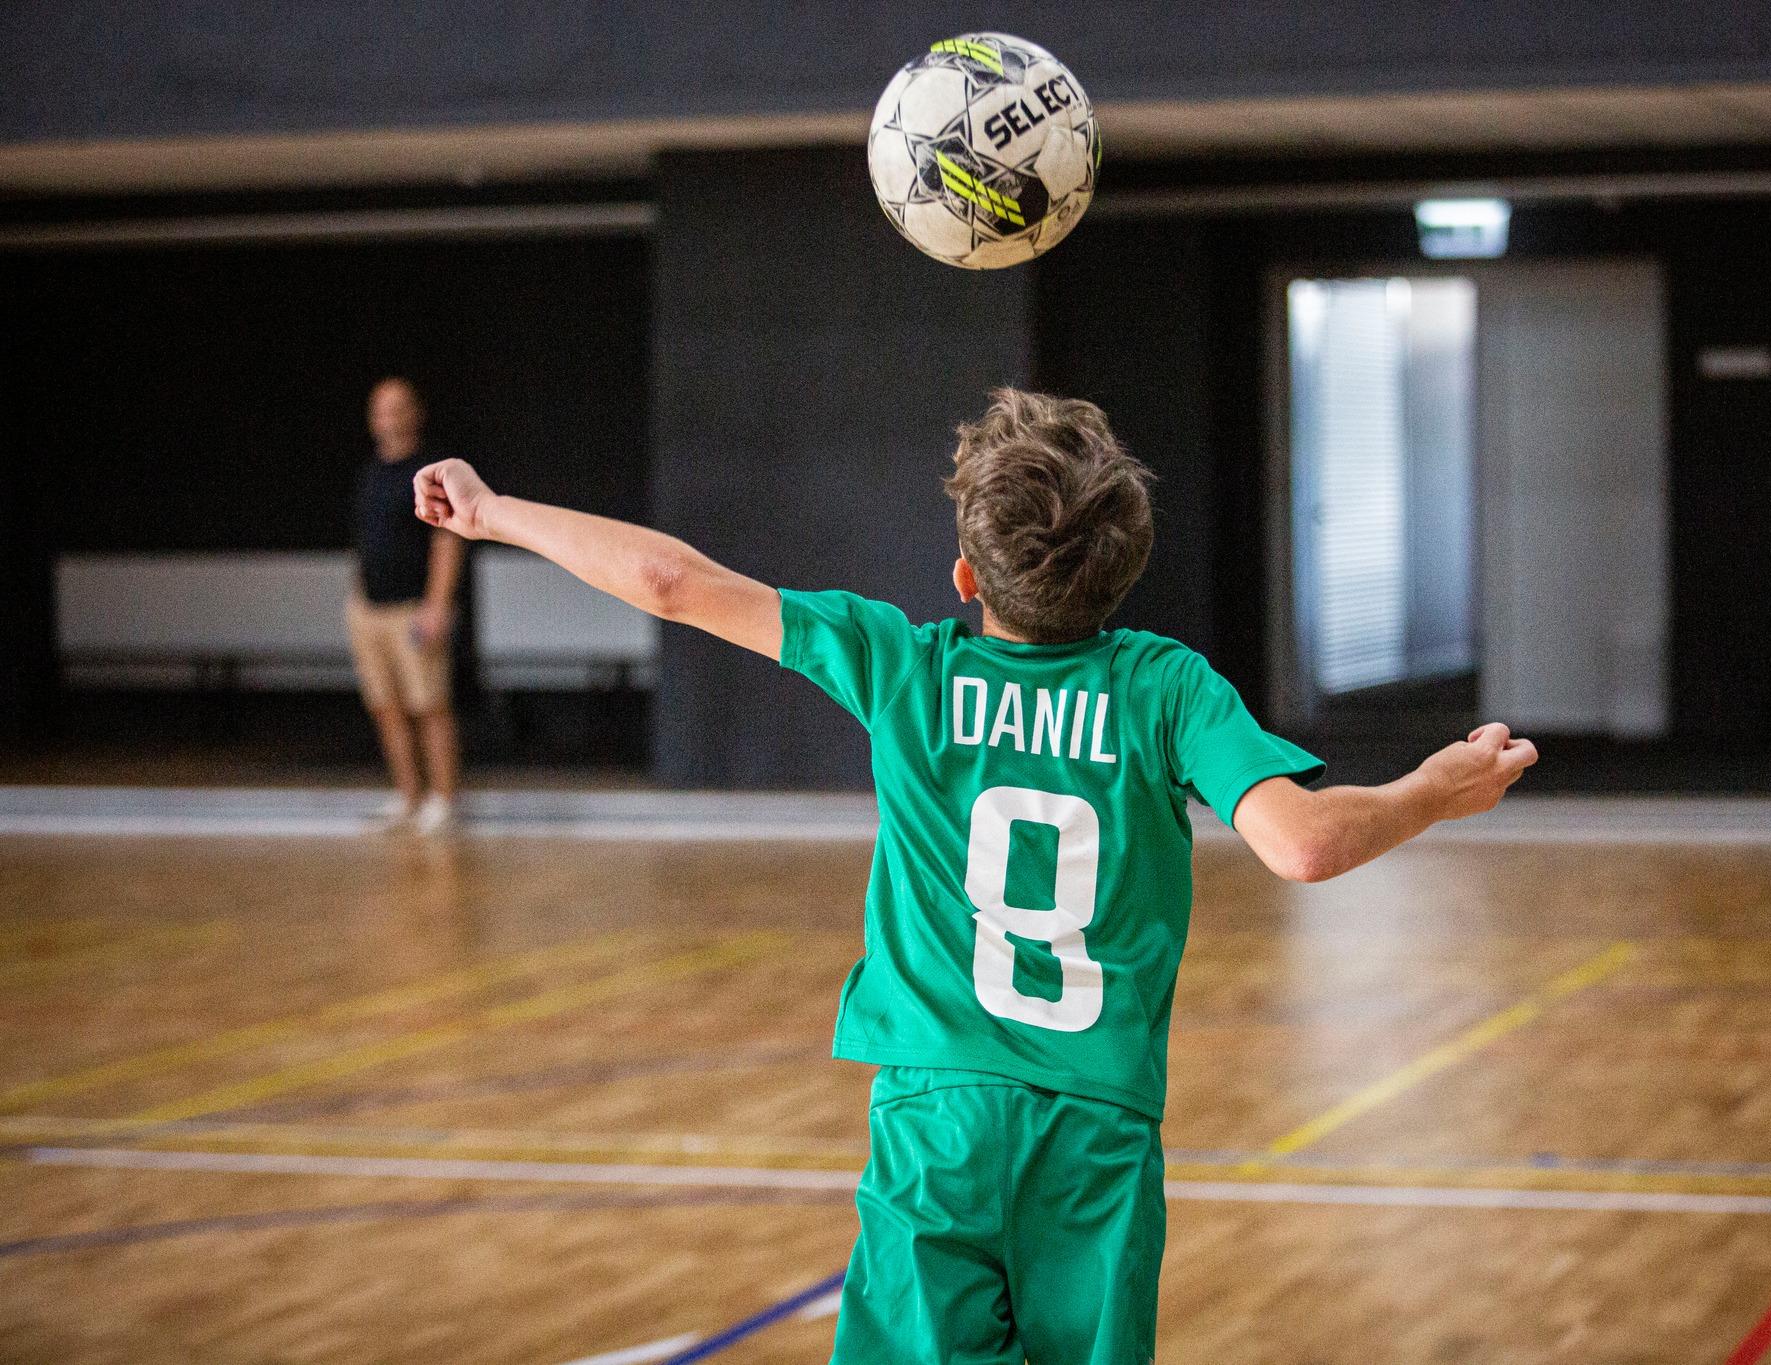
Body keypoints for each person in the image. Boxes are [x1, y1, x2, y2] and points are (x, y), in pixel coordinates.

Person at [412, 388, 1537, 1364]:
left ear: (965, 574)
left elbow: (668, 580)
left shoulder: (902, 665)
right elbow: (1303, 844)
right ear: (1124, 570)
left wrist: (493, 512)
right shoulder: (1165, 686)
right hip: (1093, 1136)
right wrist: (1431, 789)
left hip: (934, 1122)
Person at [351, 376, 464, 834]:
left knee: (428, 703)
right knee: (386, 705)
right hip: (369, 608)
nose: (388, 418)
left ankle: (444, 798)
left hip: (413, 609)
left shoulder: (428, 474)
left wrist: (437, 604)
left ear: (415, 414)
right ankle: (408, 795)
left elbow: (447, 540)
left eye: (397, 408)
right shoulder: (370, 474)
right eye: (380, 409)